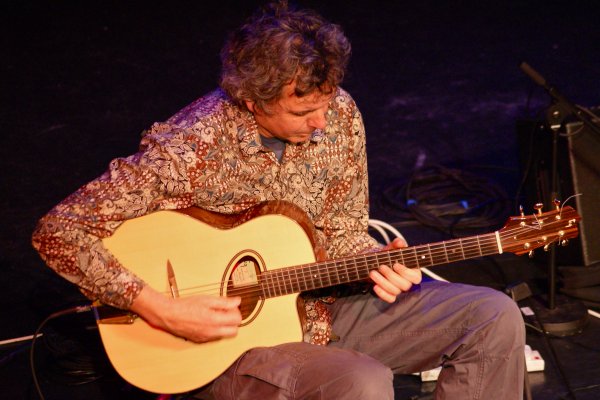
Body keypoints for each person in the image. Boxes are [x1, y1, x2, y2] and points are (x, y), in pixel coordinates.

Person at [32, 1, 525, 399]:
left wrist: (377, 261)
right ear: (253, 100)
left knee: (493, 316)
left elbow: (344, 234)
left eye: (327, 102)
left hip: (324, 306)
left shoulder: (341, 114)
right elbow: (58, 232)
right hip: (228, 342)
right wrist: (160, 307)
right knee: (362, 383)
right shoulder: (191, 147)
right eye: (304, 110)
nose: (322, 122)